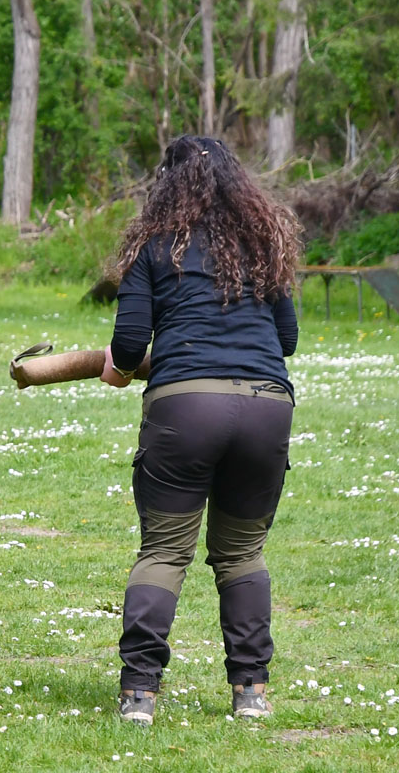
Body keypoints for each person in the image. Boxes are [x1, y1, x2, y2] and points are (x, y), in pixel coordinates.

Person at [99, 135, 301, 726]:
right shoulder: (266, 243)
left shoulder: (153, 246)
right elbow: (284, 341)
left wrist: (118, 365)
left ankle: (140, 694)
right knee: (241, 553)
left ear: (166, 183)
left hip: (186, 407)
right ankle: (252, 693)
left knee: (165, 550)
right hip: (267, 406)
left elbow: (131, 347)